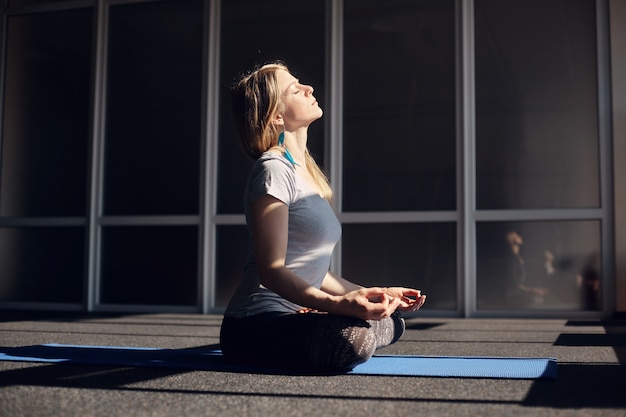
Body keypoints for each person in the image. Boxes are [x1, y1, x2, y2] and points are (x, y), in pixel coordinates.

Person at [219, 62, 427, 373]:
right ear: (276, 116)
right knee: (351, 340)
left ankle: (325, 323)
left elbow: (315, 268)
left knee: (391, 320)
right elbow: (271, 271)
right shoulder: (272, 170)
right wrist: (338, 305)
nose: (309, 89)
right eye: (295, 89)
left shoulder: (306, 174)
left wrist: (373, 293)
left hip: (296, 314)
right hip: (253, 326)